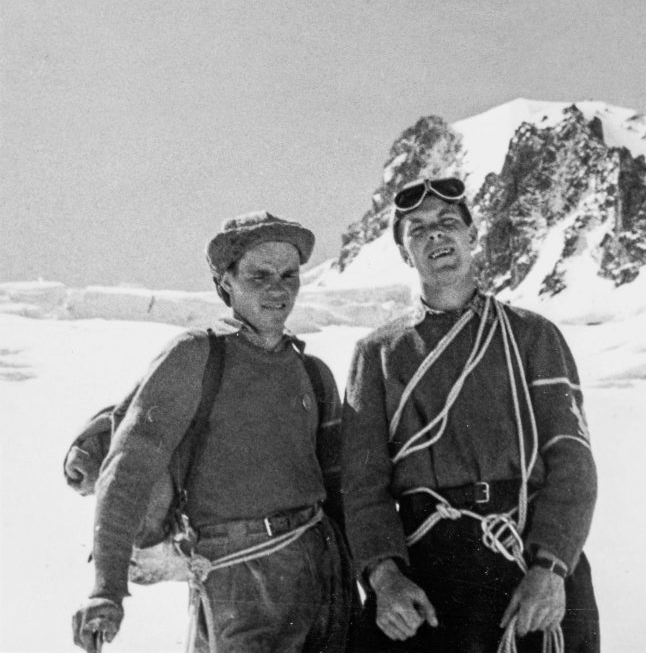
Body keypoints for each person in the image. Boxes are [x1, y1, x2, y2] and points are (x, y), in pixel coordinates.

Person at [71, 211, 354, 653]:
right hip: (237, 580)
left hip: (324, 569)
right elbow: (127, 468)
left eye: (289, 275)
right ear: (226, 284)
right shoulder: (195, 355)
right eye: (259, 275)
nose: (278, 288)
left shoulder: (313, 372)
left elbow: (339, 488)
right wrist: (106, 589)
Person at [341, 177, 600, 652]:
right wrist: (384, 577)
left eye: (447, 223)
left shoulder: (533, 337)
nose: (435, 235)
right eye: (417, 229)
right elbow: (362, 486)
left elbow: (572, 460)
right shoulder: (377, 355)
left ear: (472, 236)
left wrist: (553, 566)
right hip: (427, 575)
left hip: (529, 558)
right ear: (404, 253)